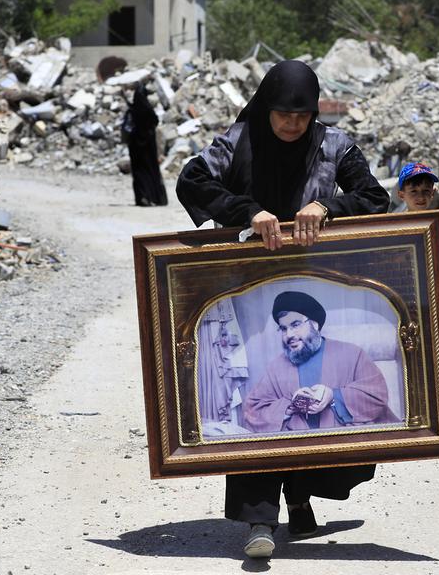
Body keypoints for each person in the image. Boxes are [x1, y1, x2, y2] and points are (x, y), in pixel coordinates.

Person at [176, 60, 390, 559]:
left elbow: (374, 197)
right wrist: (247, 211)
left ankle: (299, 499)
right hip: (251, 283)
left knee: (314, 395)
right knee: (263, 395)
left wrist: (329, 207)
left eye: (303, 116)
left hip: (315, 278)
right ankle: (260, 523)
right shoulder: (237, 141)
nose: (293, 125)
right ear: (265, 108)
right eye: (282, 115)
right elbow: (193, 182)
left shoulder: (333, 145)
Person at [244, 291, 397, 434]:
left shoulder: (351, 354)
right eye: (283, 329)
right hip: (299, 449)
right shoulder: (276, 368)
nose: (289, 335)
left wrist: (334, 395)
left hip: (346, 444)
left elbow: (377, 395)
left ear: (315, 324)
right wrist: (290, 405)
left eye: (295, 325)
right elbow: (253, 412)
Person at [397, 162, 439, 288]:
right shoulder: (396, 227)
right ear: (401, 195)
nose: (420, 197)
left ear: (433, 192)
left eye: (426, 191)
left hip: (433, 290)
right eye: (413, 191)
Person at [124, 83, 168, 207]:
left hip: (136, 147)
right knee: (150, 170)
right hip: (148, 147)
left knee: (139, 172)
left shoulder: (133, 110)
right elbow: (155, 120)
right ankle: (154, 197)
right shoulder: (148, 109)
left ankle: (142, 197)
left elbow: (130, 124)